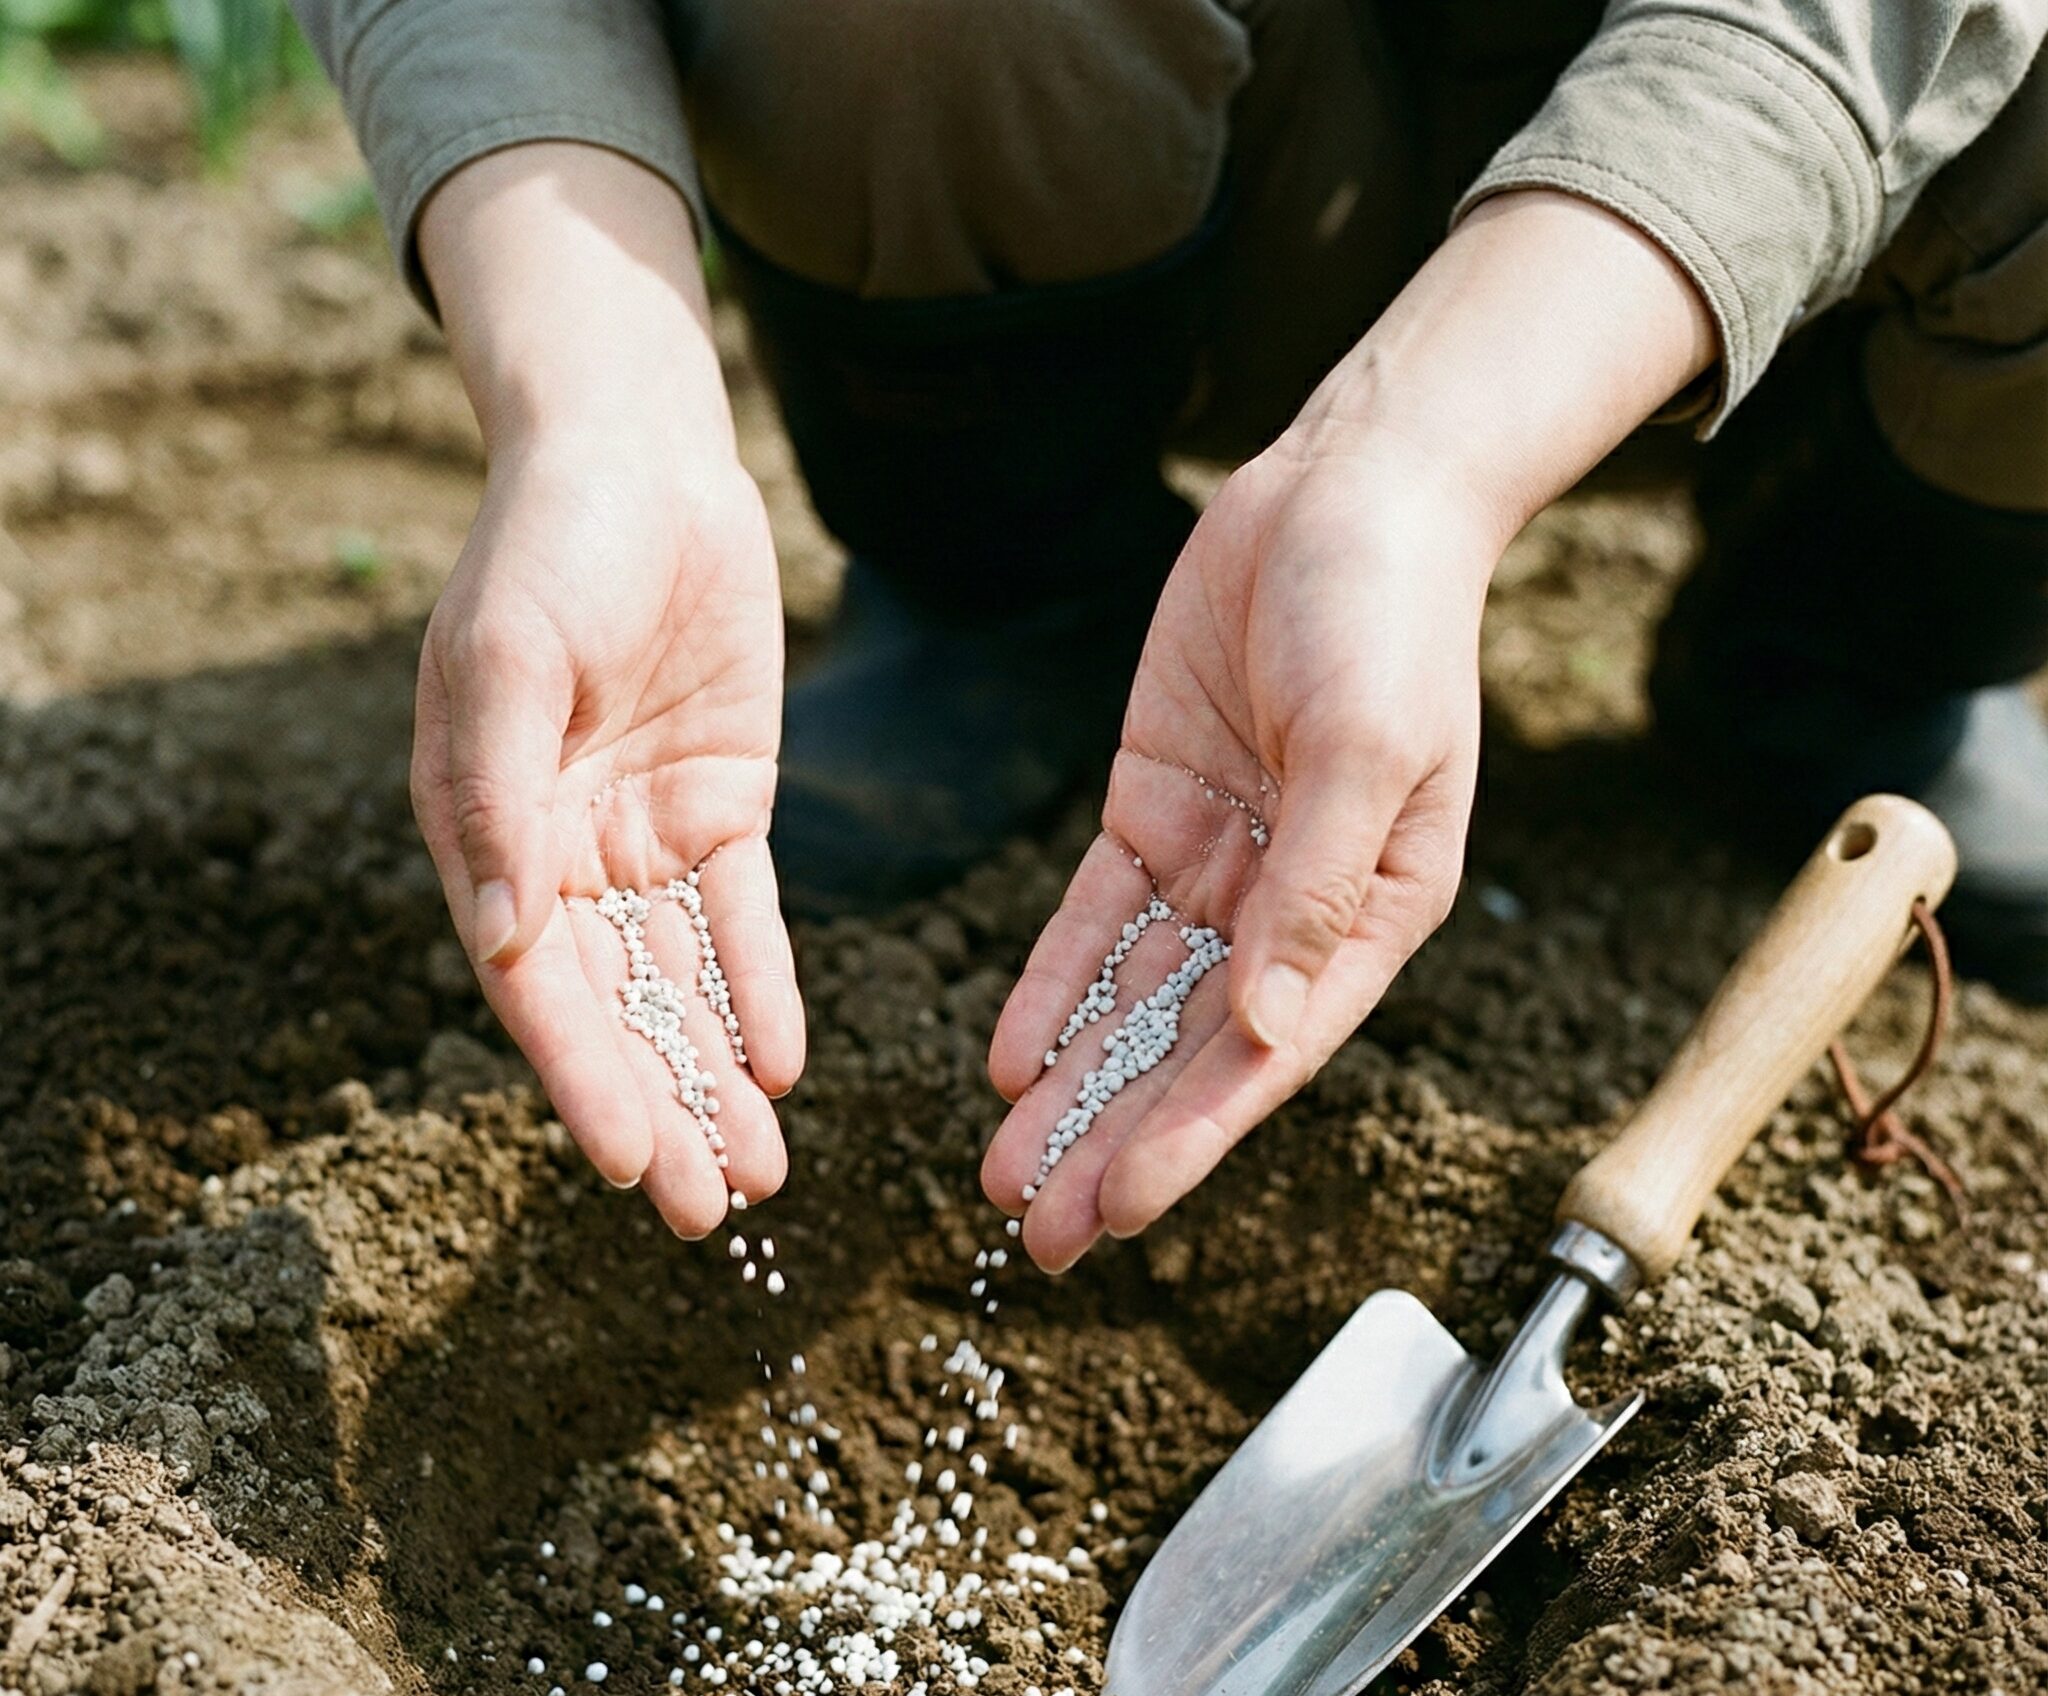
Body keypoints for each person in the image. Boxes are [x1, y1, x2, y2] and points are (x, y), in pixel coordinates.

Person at [294, 1, 2046, 1273]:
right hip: (1145, 149)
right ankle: (1012, 575)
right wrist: (599, 415)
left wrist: (1423, 463)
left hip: (1741, 243)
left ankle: (1849, 651)